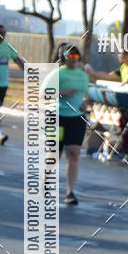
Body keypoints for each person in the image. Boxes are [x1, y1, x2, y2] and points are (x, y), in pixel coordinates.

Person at [44, 43, 90, 205]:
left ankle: (70, 192)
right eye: (69, 56)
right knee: (55, 153)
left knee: (74, 153)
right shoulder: (57, 73)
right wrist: (63, 93)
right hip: (56, 116)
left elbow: (84, 95)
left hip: (77, 117)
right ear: (63, 57)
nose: (73, 59)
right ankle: (45, 181)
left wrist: (85, 103)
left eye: (76, 56)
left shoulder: (83, 75)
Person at [89, 47, 128, 162]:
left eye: (121, 53)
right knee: (123, 124)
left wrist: (120, 86)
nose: (119, 55)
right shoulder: (123, 67)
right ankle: (124, 149)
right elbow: (108, 76)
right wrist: (93, 73)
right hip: (125, 98)